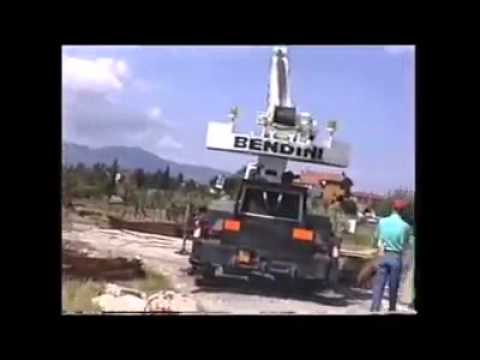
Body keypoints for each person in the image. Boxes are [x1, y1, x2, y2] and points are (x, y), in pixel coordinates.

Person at [370, 199, 412, 312]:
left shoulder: (382, 222)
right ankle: (391, 308)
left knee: (379, 284)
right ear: (403, 211)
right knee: (393, 286)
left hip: (383, 254)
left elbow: (376, 237)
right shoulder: (405, 226)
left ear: (392, 208)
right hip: (396, 256)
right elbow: (406, 244)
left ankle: (374, 308)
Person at [326, 195, 347, 290]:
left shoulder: (334, 209)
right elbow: (332, 224)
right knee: (334, 260)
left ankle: (330, 281)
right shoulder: (337, 210)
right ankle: (331, 283)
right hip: (335, 239)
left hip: (333, 238)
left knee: (333, 259)